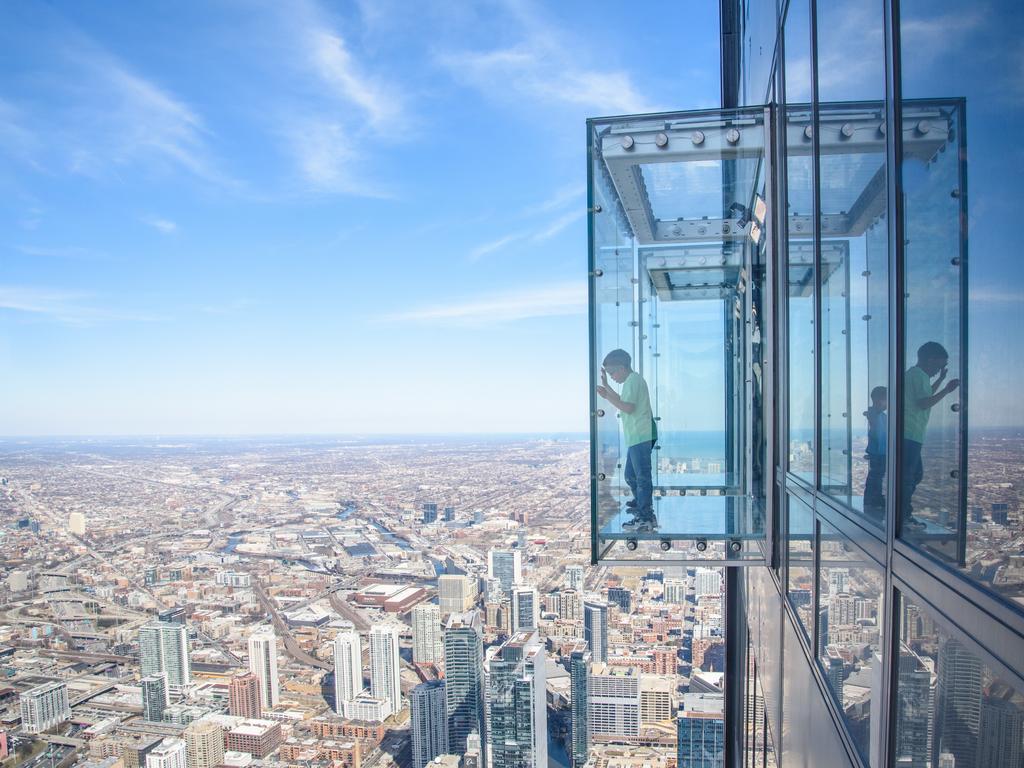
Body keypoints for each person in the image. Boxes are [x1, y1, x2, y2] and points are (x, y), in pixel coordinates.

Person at [596, 349, 657, 529]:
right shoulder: (632, 380)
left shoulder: (632, 381)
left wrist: (607, 395)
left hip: (640, 435)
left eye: (612, 373)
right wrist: (606, 387)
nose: (612, 377)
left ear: (621, 368)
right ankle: (641, 506)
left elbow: (627, 407)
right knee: (631, 475)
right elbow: (623, 400)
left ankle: (646, 517)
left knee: (641, 477)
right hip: (638, 436)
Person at [903, 341, 959, 530]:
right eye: (939, 365)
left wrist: (941, 380)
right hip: (910, 434)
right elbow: (923, 403)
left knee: (913, 475)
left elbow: (925, 395)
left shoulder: (915, 375)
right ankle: (903, 516)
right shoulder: (918, 376)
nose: (939, 369)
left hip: (909, 434)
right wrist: (946, 390)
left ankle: (902, 513)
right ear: (930, 359)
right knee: (910, 476)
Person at [863, 386, 887, 519]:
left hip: (879, 451)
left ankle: (875, 498)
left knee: (877, 476)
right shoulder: (875, 414)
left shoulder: (880, 415)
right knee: (876, 476)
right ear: (879, 400)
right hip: (879, 451)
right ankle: (872, 499)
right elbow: (876, 432)